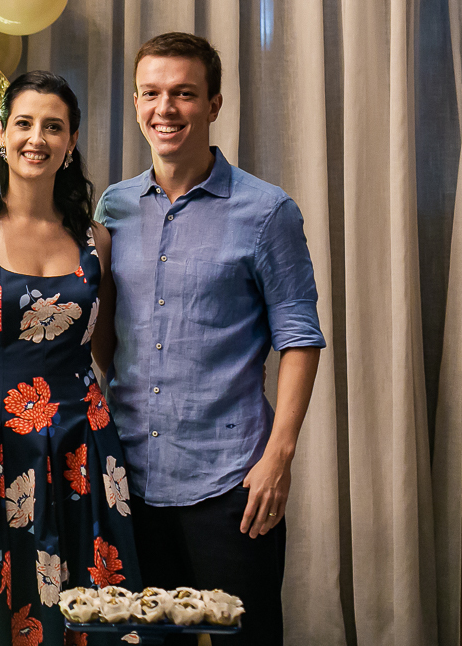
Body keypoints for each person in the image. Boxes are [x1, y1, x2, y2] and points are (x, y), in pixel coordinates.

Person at [95, 32, 325, 645]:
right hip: (131, 480)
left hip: (232, 482)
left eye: (184, 94)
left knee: (245, 639)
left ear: (215, 104)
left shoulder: (267, 211)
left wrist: (278, 457)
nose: (164, 109)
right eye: (151, 93)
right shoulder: (115, 209)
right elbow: (104, 331)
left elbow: (300, 338)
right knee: (144, 641)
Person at [0, 71, 140, 646]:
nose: (36, 138)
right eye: (24, 123)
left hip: (83, 451)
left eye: (53, 127)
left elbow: (107, 351)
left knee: (87, 615)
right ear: (1, 134)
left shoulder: (98, 242)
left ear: (69, 146)